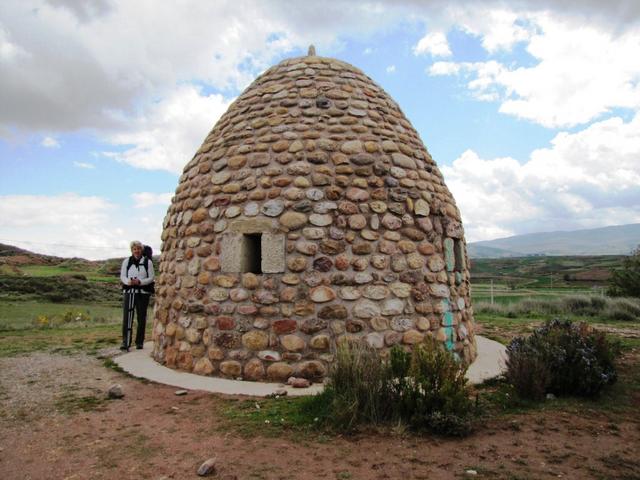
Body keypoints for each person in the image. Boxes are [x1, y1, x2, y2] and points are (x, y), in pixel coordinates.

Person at [120, 240, 154, 351]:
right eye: (134, 249)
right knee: (127, 318)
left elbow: (151, 278)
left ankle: (139, 342)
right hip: (129, 292)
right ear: (132, 250)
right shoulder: (126, 261)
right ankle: (126, 342)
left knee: (141, 318)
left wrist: (140, 282)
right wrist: (128, 282)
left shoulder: (147, 262)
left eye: (138, 249)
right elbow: (123, 276)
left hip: (142, 293)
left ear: (141, 250)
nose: (137, 251)